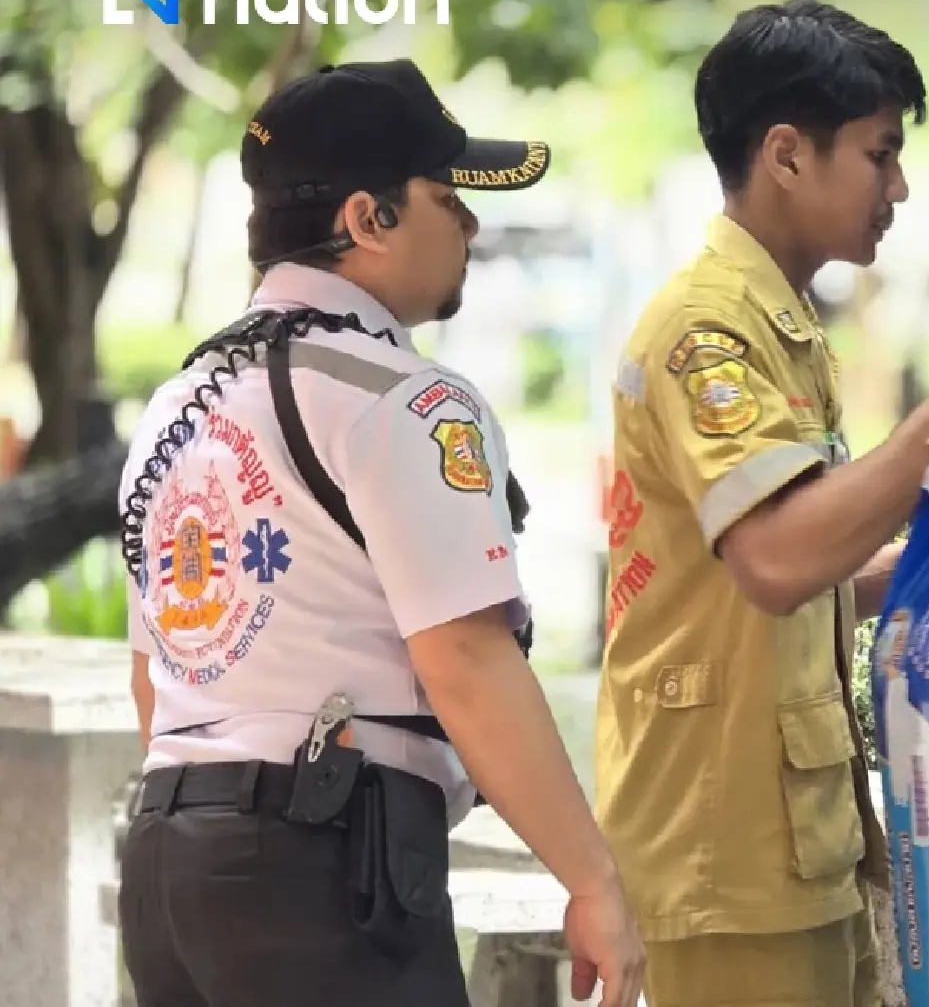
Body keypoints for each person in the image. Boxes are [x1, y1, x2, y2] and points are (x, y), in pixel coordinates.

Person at [114, 60, 645, 1007]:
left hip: (168, 863)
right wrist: (595, 881)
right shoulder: (403, 399)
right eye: (449, 198)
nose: (472, 226)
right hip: (326, 869)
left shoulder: (174, 409)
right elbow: (468, 661)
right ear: (369, 219)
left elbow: (156, 674)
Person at [592, 0, 929, 1007]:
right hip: (722, 842)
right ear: (785, 154)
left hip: (790, 833)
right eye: (878, 154)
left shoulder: (780, 322)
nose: (896, 186)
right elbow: (777, 560)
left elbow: (812, 571)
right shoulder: (708, 331)